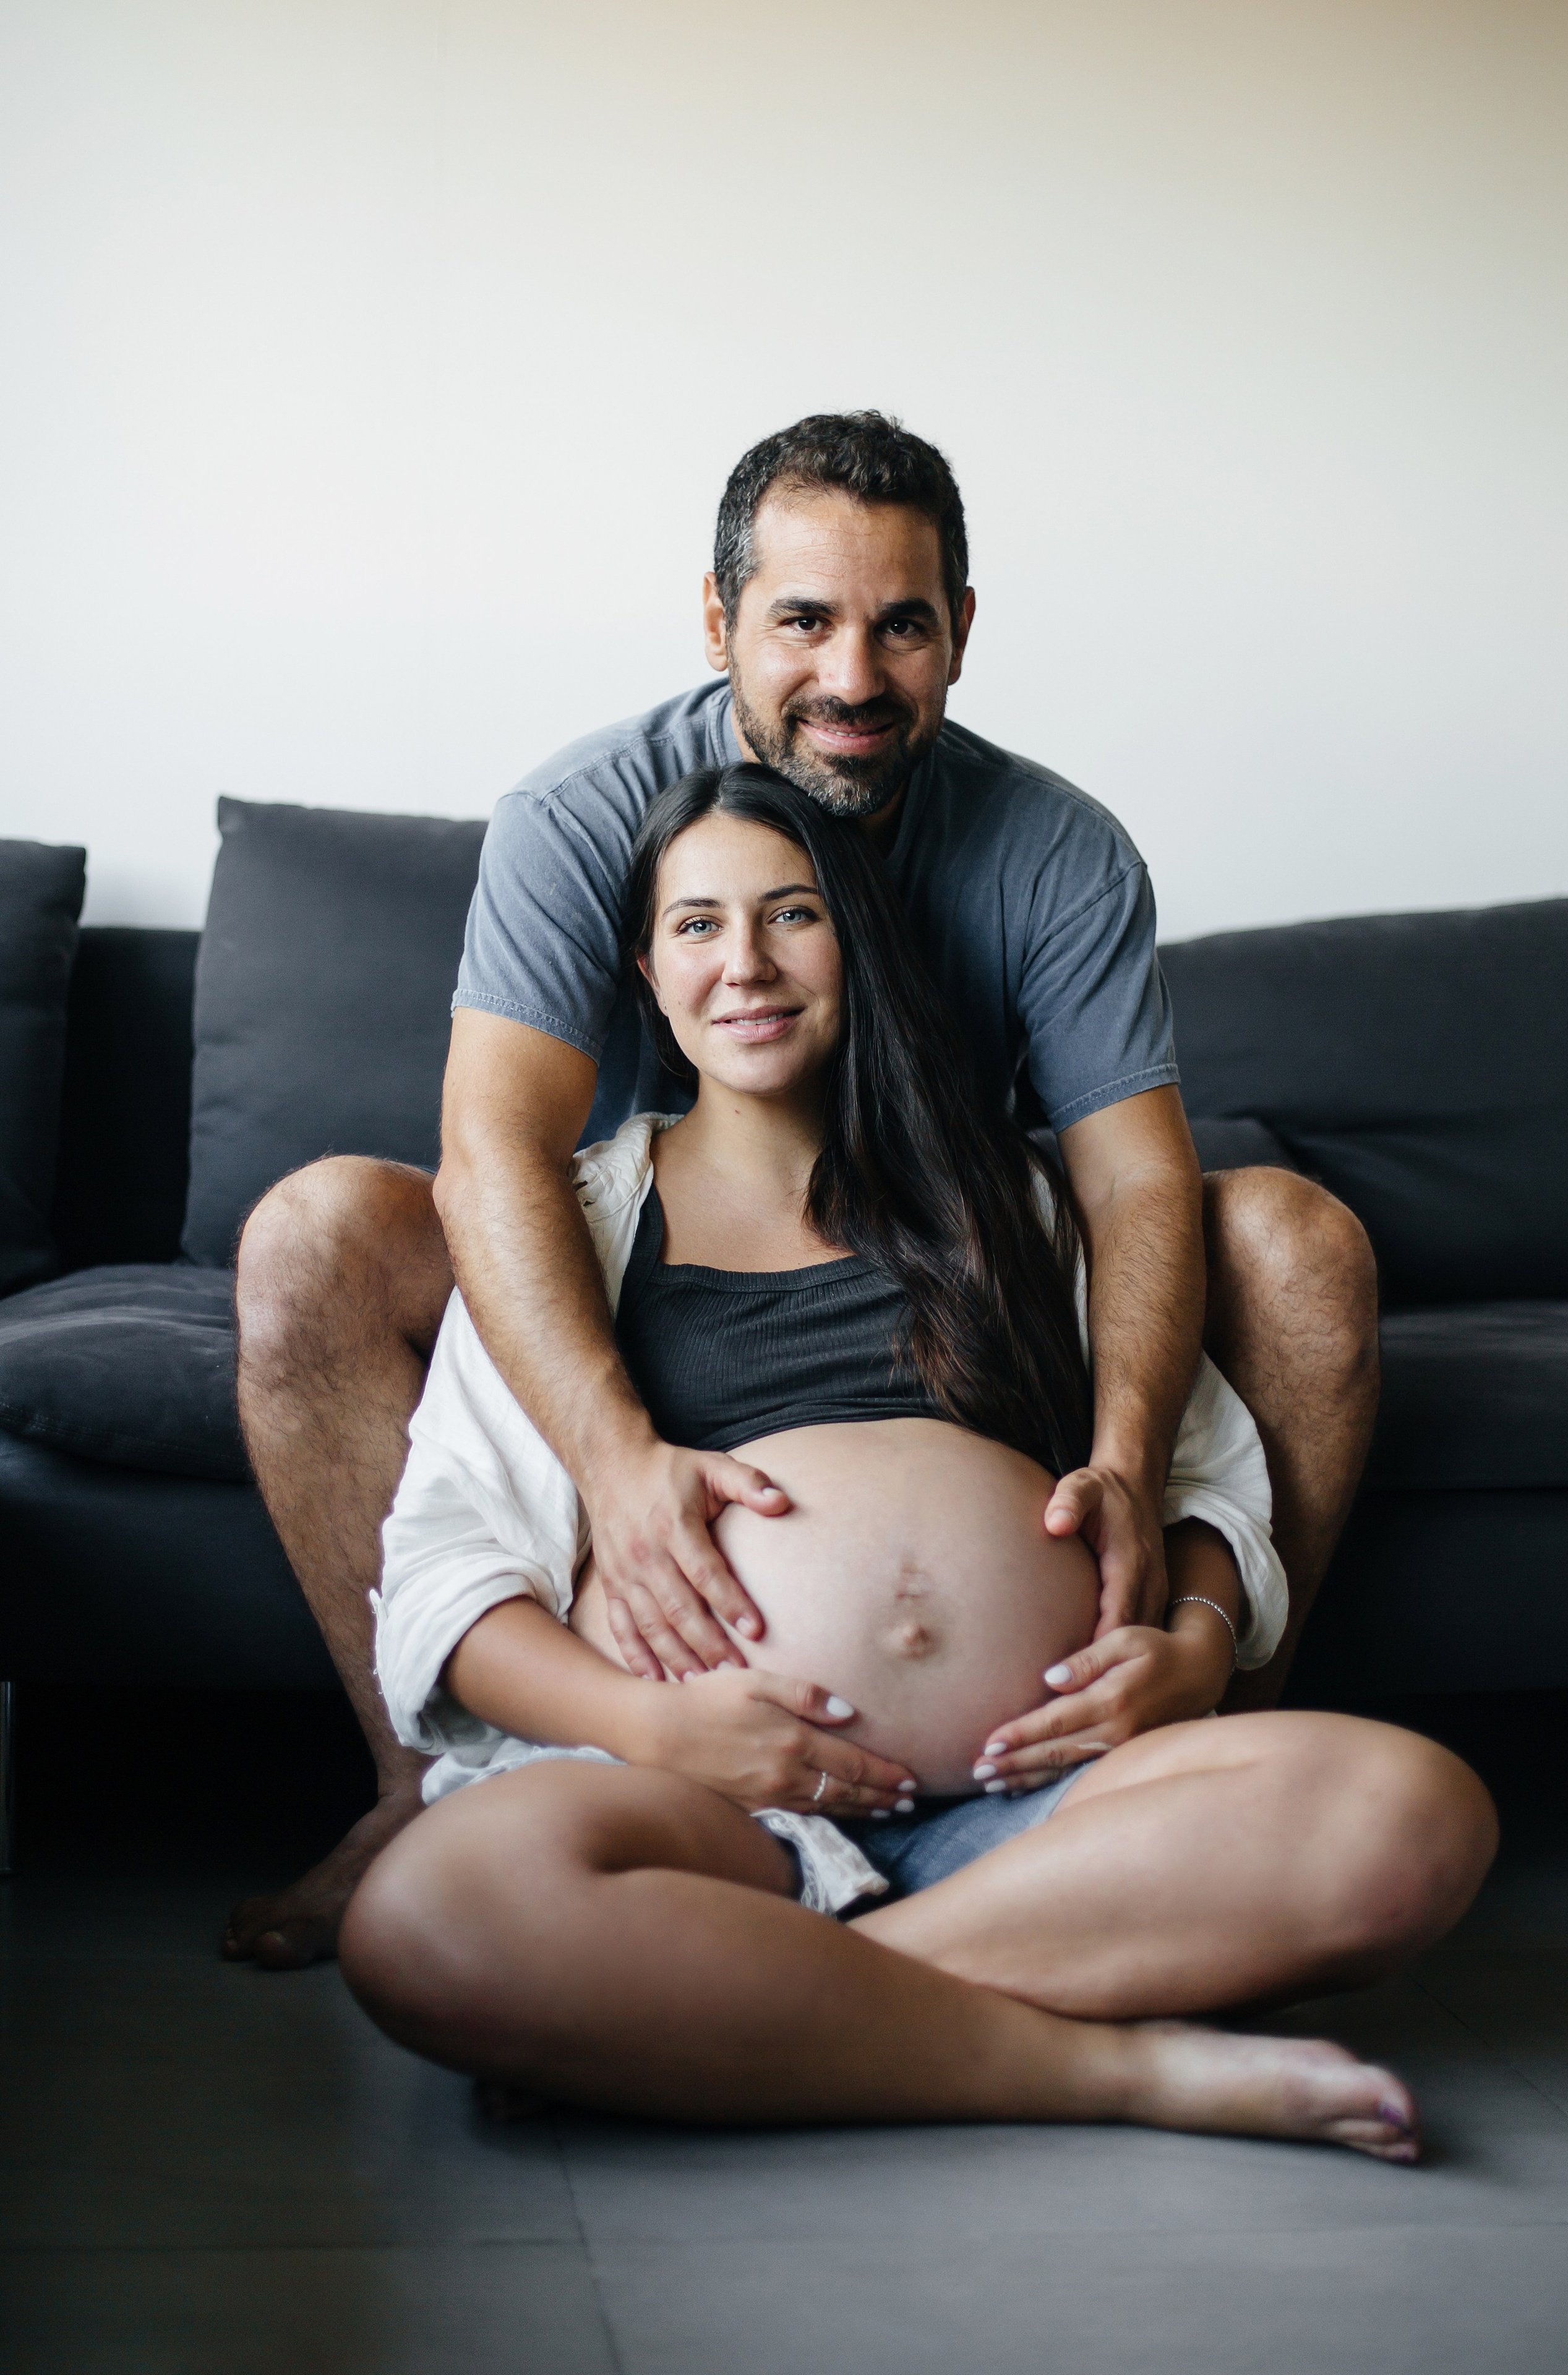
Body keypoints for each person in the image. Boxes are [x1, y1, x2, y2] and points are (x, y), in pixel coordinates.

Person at [226, 411, 1380, 1969]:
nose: (850, 678)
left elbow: (1134, 1188)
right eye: (801, 622)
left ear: (959, 634)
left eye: (899, 625)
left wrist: (1120, 1480)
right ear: (718, 625)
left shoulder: (1053, 850)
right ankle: (416, 1785)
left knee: (1295, 1241)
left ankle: (1183, 1757)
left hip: (941, 1250)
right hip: (662, 1255)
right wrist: (619, 1462)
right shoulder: (584, 820)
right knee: (318, 1233)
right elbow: (495, 1146)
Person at [338, 766, 1496, 2155]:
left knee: (1411, 1816)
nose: (746, 965)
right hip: (705, 1805)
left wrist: (1191, 1645)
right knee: (428, 1919)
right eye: (696, 927)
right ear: (644, 973)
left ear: (857, 946)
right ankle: (1121, 2072)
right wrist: (653, 1727)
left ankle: (712, 2020)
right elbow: (446, 1583)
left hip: (1036, 1802)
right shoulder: (575, 1229)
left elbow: (1198, 1479)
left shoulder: (1005, 1204)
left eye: (792, 915)